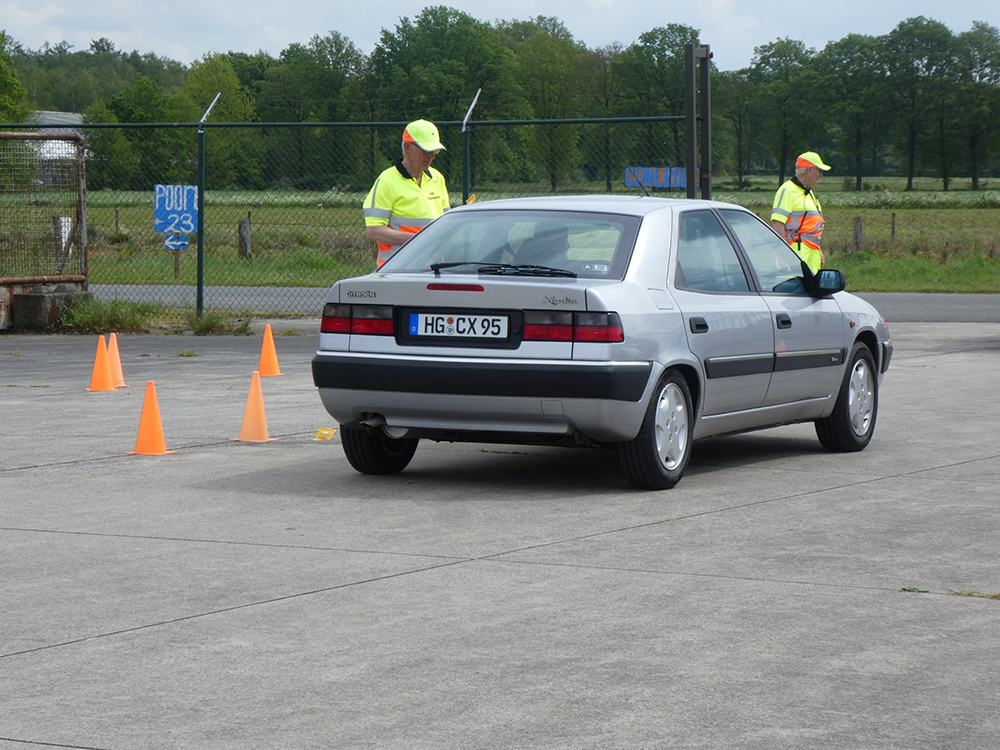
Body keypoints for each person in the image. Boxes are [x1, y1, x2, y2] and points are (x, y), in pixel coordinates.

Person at [363, 119, 450, 268]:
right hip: (396, 270)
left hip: (434, 270)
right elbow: (374, 231)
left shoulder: (437, 179)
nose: (432, 156)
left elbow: (446, 225)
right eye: (426, 150)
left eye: (435, 151)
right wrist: (419, 240)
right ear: (407, 148)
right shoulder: (387, 181)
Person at [770, 151, 830, 274]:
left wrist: (818, 251)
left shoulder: (808, 192)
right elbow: (777, 223)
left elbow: (809, 229)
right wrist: (785, 254)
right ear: (809, 170)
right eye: (819, 171)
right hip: (794, 256)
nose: (821, 175)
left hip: (810, 255)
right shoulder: (787, 190)